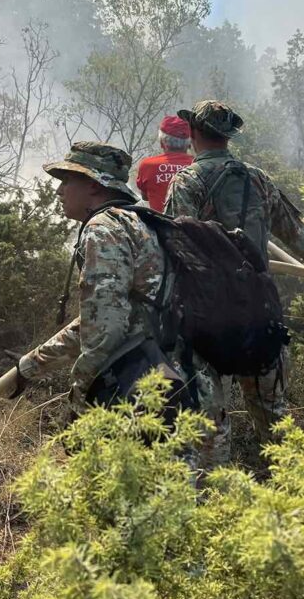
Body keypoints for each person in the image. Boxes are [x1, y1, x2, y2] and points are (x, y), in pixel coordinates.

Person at [164, 100, 304, 466]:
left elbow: (175, 246)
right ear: (228, 138)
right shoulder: (258, 179)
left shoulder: (187, 182)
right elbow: (299, 235)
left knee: (209, 429)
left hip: (206, 320)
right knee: (275, 422)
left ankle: (214, 504)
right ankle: (300, 496)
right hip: (261, 313)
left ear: (195, 134)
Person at [15, 141, 188, 418]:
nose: (59, 191)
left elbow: (104, 331)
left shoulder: (102, 230)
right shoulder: (139, 222)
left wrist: (80, 400)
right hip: (170, 376)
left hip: (134, 385)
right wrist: (30, 365)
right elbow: (99, 317)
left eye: (68, 180)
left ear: (94, 185)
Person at [135, 115, 194, 211]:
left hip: (158, 225)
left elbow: (145, 197)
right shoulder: (199, 164)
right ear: (189, 144)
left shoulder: (147, 165)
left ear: (162, 142)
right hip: (194, 225)